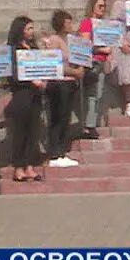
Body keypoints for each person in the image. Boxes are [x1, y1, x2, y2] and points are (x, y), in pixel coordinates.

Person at [4, 16, 47, 182]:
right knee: (20, 132)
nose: (31, 32)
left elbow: (43, 65)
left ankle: (30, 166)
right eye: (28, 28)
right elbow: (13, 74)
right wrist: (30, 80)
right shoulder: (13, 49)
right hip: (21, 94)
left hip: (35, 95)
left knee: (33, 131)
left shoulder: (33, 48)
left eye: (32, 28)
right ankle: (18, 167)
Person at [42, 10, 84, 168]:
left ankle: (61, 150)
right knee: (58, 118)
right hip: (59, 84)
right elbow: (54, 64)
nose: (70, 25)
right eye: (67, 22)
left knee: (65, 118)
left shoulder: (70, 40)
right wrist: (75, 72)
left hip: (70, 82)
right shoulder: (54, 40)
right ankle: (55, 152)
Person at [76, 0, 112, 139]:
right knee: (93, 94)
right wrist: (102, 50)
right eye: (100, 6)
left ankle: (91, 124)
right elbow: (85, 44)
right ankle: (89, 126)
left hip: (102, 62)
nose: (103, 9)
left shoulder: (104, 24)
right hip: (92, 63)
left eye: (104, 6)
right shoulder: (87, 23)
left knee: (97, 94)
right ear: (92, 7)